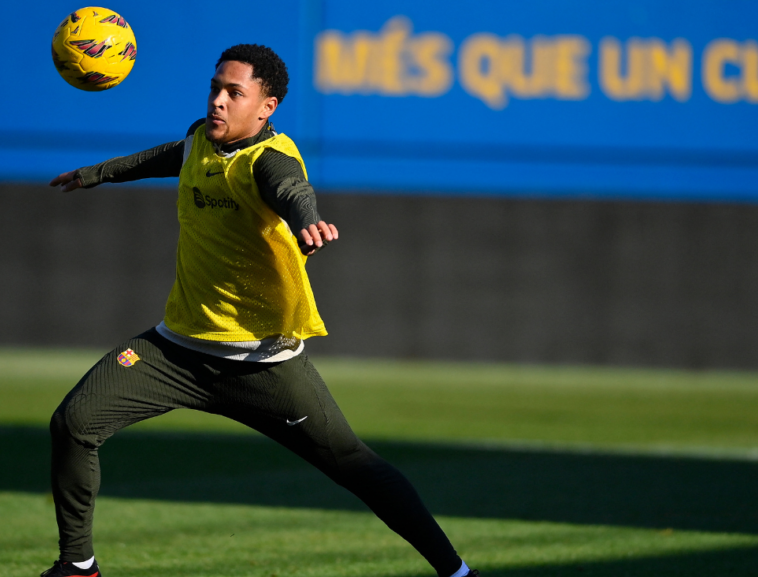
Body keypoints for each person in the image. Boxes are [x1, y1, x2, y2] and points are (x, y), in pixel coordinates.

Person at [42, 44, 477, 577]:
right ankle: (78, 566)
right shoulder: (201, 138)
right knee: (74, 423)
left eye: (234, 93)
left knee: (354, 465)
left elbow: (291, 188)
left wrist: (307, 220)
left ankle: (456, 572)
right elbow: (169, 154)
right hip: (174, 351)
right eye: (215, 88)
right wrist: (98, 173)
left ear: (266, 108)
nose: (218, 102)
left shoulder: (268, 160)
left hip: (261, 364)